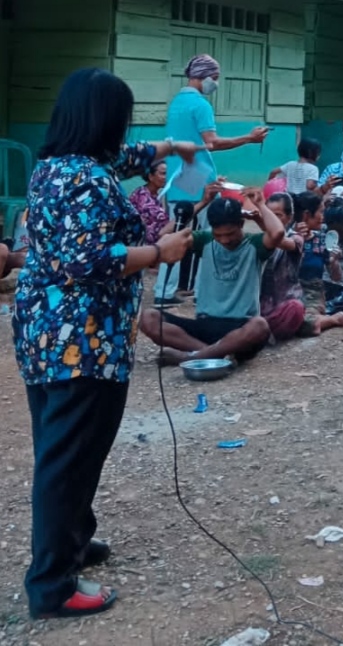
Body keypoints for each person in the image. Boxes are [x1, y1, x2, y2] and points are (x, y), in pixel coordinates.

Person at [13, 68, 195, 619]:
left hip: (49, 332)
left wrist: (174, 144)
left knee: (69, 448)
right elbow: (87, 260)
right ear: (105, 121)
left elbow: (132, 156)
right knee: (67, 458)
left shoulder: (60, 166)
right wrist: (160, 252)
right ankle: (51, 585)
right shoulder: (84, 180)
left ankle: (70, 540)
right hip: (79, 341)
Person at [161, 53, 269, 302]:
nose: (216, 84)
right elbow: (212, 142)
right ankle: (202, 290)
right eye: (215, 78)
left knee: (178, 230)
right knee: (210, 236)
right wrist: (249, 139)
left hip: (178, 174)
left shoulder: (176, 102)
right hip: (198, 176)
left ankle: (165, 290)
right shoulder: (201, 105)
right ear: (203, 76)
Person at [139, 191, 283, 366]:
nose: (224, 240)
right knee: (148, 318)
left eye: (230, 234)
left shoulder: (255, 244)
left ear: (241, 224)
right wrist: (203, 202)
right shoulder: (205, 240)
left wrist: (260, 205)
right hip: (205, 324)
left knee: (259, 326)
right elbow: (166, 237)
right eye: (218, 235)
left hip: (240, 327)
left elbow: (277, 233)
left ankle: (191, 357)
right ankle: (214, 354)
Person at [292, 191, 343, 335]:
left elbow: (336, 277)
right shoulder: (288, 237)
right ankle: (332, 318)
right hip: (289, 294)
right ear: (306, 215)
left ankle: (322, 314)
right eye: (320, 212)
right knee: (294, 320)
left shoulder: (322, 239)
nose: (322, 217)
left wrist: (334, 261)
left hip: (313, 294)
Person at [259, 193, 306, 341]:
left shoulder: (296, 238)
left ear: (289, 217)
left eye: (277, 215)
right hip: (259, 306)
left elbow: (279, 240)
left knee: (295, 309)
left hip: (284, 304)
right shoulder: (257, 239)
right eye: (269, 215)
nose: (272, 219)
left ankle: (260, 333)